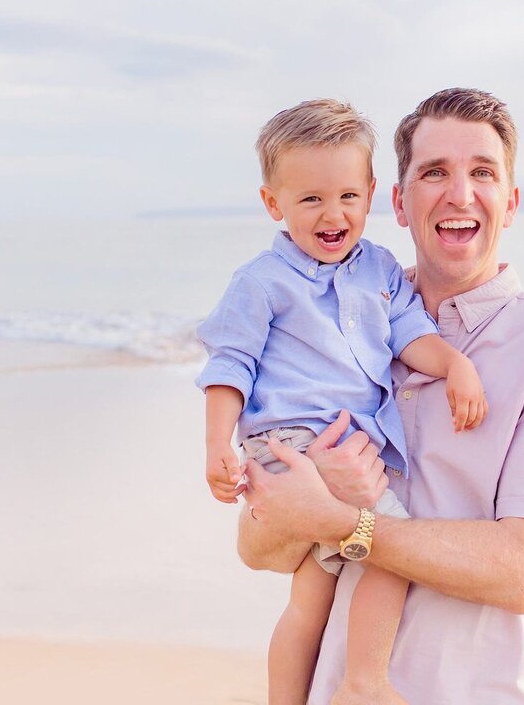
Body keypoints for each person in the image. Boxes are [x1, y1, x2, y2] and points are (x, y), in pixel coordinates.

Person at [238, 88, 524, 704]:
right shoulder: (332, 326)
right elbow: (258, 548)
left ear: (510, 203)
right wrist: (308, 488)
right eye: (434, 172)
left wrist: (342, 521)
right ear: (400, 204)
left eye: (482, 173)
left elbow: (519, 574)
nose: (460, 194)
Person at [195, 99, 488, 705]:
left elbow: (413, 336)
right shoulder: (261, 282)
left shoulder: (379, 268)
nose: (333, 215)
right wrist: (215, 445)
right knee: (391, 545)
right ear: (273, 204)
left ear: (374, 194)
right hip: (292, 443)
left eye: (348, 197)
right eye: (310, 200)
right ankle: (365, 683)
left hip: (347, 448)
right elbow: (231, 365)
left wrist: (456, 364)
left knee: (314, 588)